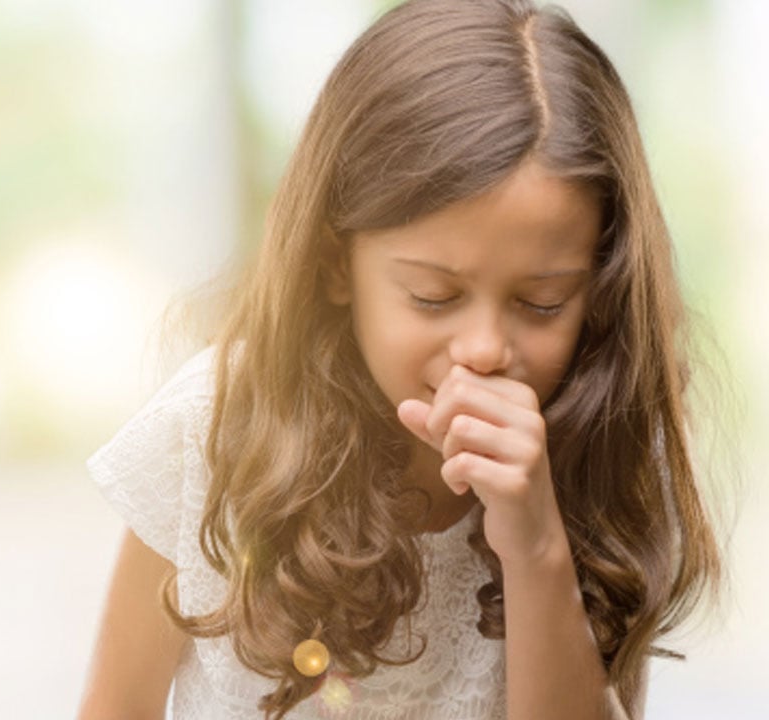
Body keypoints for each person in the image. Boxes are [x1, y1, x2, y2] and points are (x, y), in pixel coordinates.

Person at [77, 0, 725, 718]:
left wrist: (538, 551)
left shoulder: (605, 442)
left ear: (600, 288)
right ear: (335, 265)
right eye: (432, 295)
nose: (484, 350)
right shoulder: (214, 430)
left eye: (542, 303)